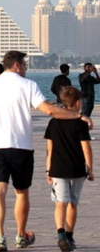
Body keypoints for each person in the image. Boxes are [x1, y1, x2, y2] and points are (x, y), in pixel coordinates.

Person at [0, 50, 92, 252]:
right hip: (21, 146)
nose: (25, 68)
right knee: (21, 192)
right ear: (16, 65)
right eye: (24, 64)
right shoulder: (28, 85)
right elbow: (49, 110)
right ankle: (21, 236)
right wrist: (76, 116)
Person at [44, 86, 94, 251]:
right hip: (77, 168)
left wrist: (47, 169)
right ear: (78, 103)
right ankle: (70, 236)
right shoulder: (80, 124)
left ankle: (60, 234)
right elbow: (86, 149)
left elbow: (49, 149)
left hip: (58, 168)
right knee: (73, 203)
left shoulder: (53, 122)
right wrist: (90, 169)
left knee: (60, 202)